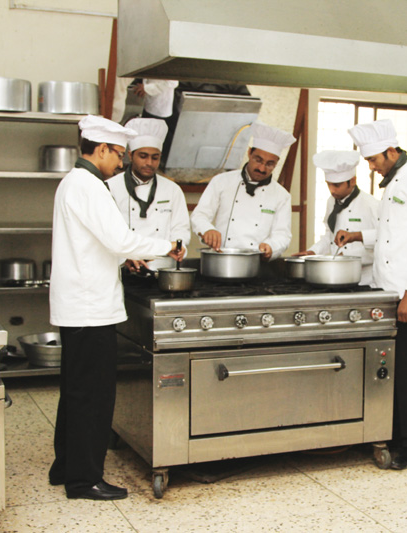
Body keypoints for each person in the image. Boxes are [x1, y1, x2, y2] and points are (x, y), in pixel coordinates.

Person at [48, 115, 184, 501]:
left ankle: (66, 467)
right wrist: (166, 246)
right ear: (102, 149)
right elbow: (118, 238)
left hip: (79, 303)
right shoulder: (89, 186)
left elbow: (99, 242)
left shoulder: (72, 182)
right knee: (93, 396)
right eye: (119, 154)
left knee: (75, 391)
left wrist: (124, 255)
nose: (121, 162)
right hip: (90, 307)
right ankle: (84, 480)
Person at [343, 119, 407, 469]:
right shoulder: (393, 183)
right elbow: (392, 234)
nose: (370, 167)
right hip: (390, 289)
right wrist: (358, 236)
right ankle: (396, 432)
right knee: (397, 368)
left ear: (391, 151)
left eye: (373, 160)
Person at [191, 120, 295, 261]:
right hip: (222, 261)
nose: (262, 168)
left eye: (270, 164)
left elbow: (282, 234)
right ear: (249, 153)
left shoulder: (282, 195)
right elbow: (200, 215)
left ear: (276, 163)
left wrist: (271, 246)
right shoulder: (221, 181)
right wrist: (207, 230)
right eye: (258, 160)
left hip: (257, 265)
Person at [105, 117, 191, 271]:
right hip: (123, 269)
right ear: (131, 156)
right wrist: (125, 259)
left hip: (163, 270)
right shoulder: (111, 187)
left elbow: (181, 228)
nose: (149, 163)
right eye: (143, 156)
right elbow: (109, 234)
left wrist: (180, 246)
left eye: (155, 157)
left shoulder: (172, 190)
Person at [294, 150, 378, 286]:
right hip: (336, 278)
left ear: (352, 181)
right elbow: (329, 236)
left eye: (337, 185)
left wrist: (346, 255)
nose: (332, 190)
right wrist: (313, 251)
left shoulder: (371, 205)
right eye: (328, 184)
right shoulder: (331, 201)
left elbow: (383, 241)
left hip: (365, 280)